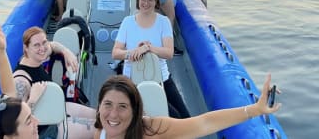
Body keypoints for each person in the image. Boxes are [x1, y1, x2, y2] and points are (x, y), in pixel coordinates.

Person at [0, 19, 96, 139]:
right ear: (26, 48)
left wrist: (66, 52)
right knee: (98, 129)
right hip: (45, 130)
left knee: (98, 116)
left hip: (56, 107)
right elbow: (16, 117)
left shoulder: (37, 56)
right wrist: (33, 99)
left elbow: (53, 46)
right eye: (36, 45)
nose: (42, 48)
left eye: (44, 42)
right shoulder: (21, 80)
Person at [94, 74, 281, 139]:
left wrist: (255, 110)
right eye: (108, 105)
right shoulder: (100, 132)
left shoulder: (151, 129)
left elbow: (204, 123)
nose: (113, 114)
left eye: (123, 107)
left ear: (135, 110)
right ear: (99, 107)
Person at [112, 0, 190, 119]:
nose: (145, 3)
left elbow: (169, 52)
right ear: (138, 1)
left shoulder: (163, 22)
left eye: (150, 0)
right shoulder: (128, 22)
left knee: (184, 117)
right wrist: (134, 52)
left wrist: (149, 48)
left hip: (161, 78)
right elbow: (116, 53)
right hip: (134, 81)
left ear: (156, 2)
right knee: (172, 116)